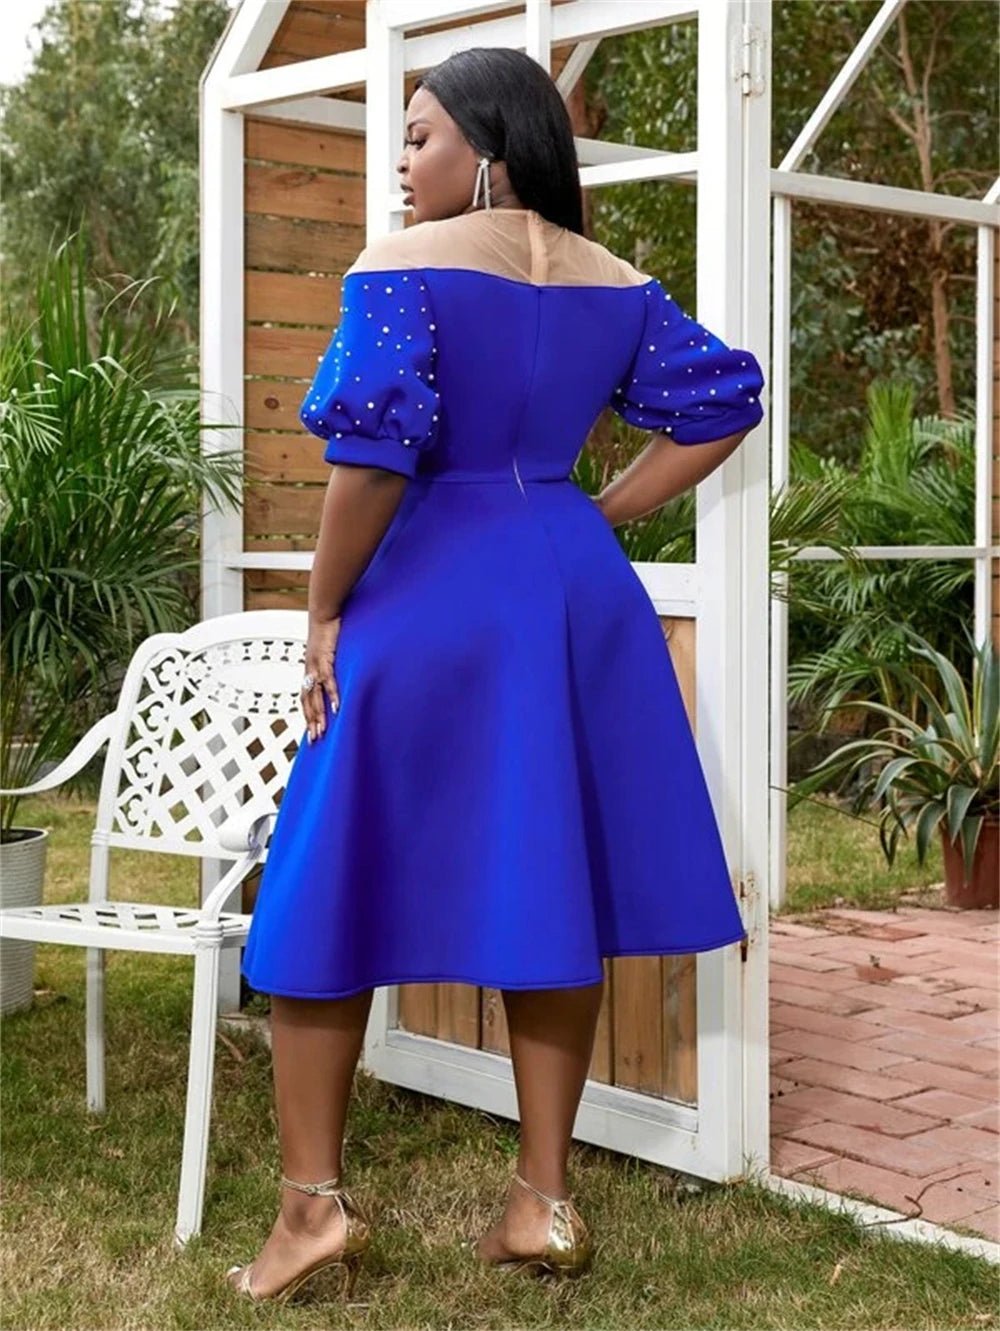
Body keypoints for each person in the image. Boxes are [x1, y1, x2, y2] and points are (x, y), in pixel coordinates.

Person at [228, 46, 765, 1304]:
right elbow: (724, 400)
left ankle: (311, 1208)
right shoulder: (616, 283)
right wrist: (601, 513)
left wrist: (319, 608)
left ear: (491, 152)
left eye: (417, 138)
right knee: (547, 875)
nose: (398, 164)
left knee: (325, 877)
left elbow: (373, 455)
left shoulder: (402, 271)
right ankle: (543, 1199)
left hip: (431, 595)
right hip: (569, 589)